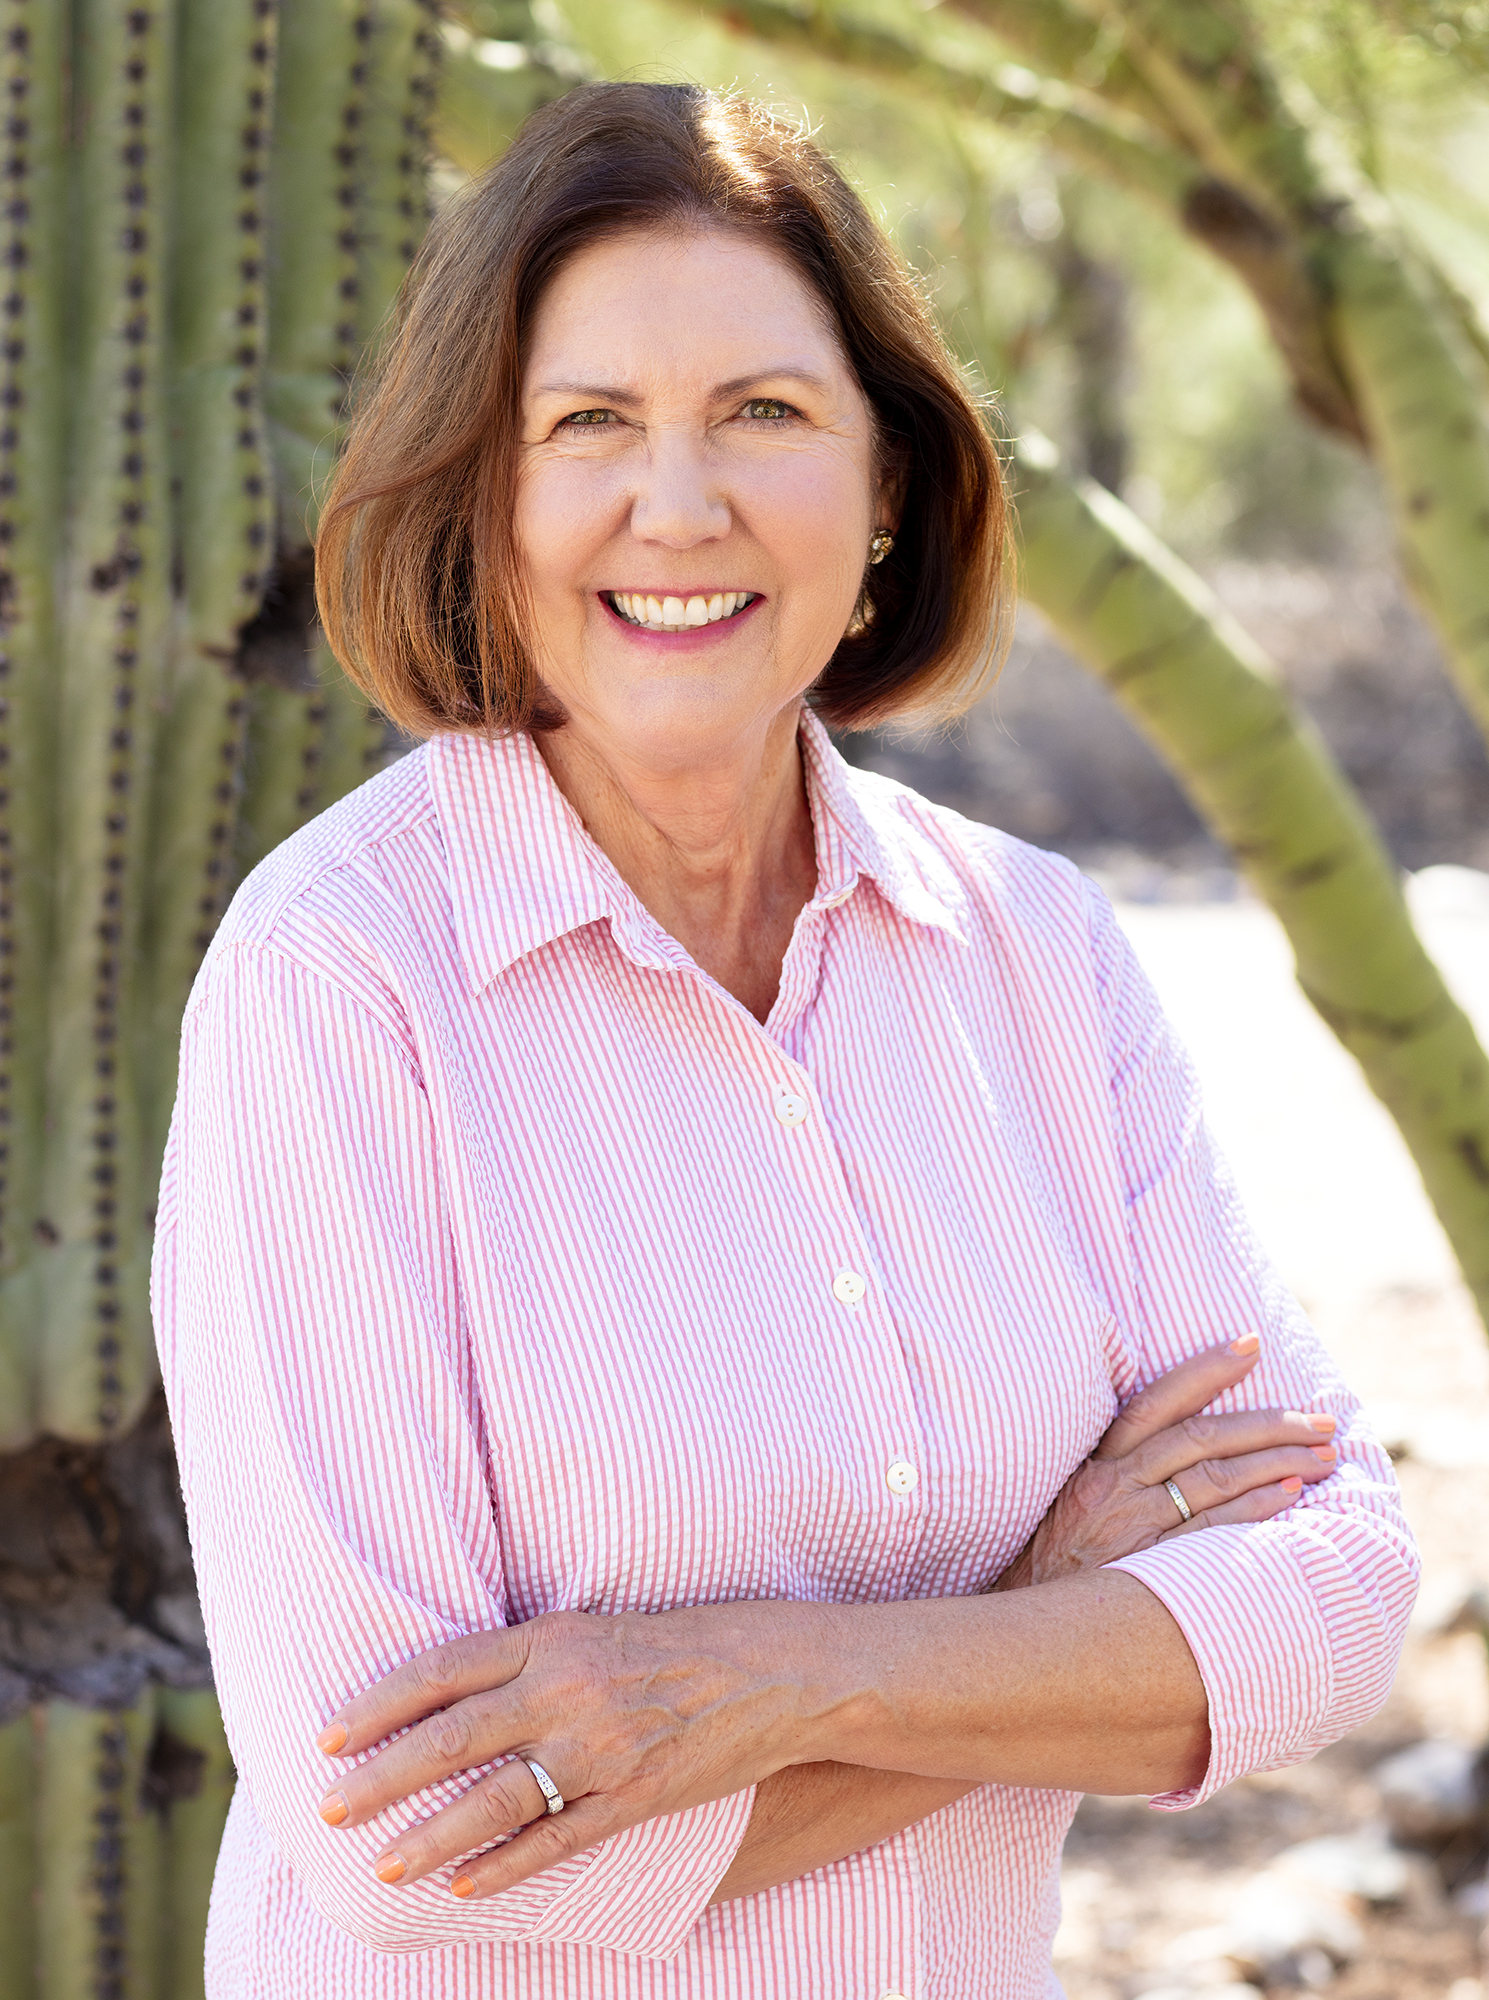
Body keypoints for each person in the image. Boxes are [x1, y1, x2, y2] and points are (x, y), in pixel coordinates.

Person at [154, 82, 1418, 2000]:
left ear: (890, 479)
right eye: (586, 424)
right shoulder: (339, 985)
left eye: (763, 412)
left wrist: (776, 1685)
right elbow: (406, 1847)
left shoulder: (1033, 954)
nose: (679, 505)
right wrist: (1048, 1631)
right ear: (486, 492)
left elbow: (1327, 1584)